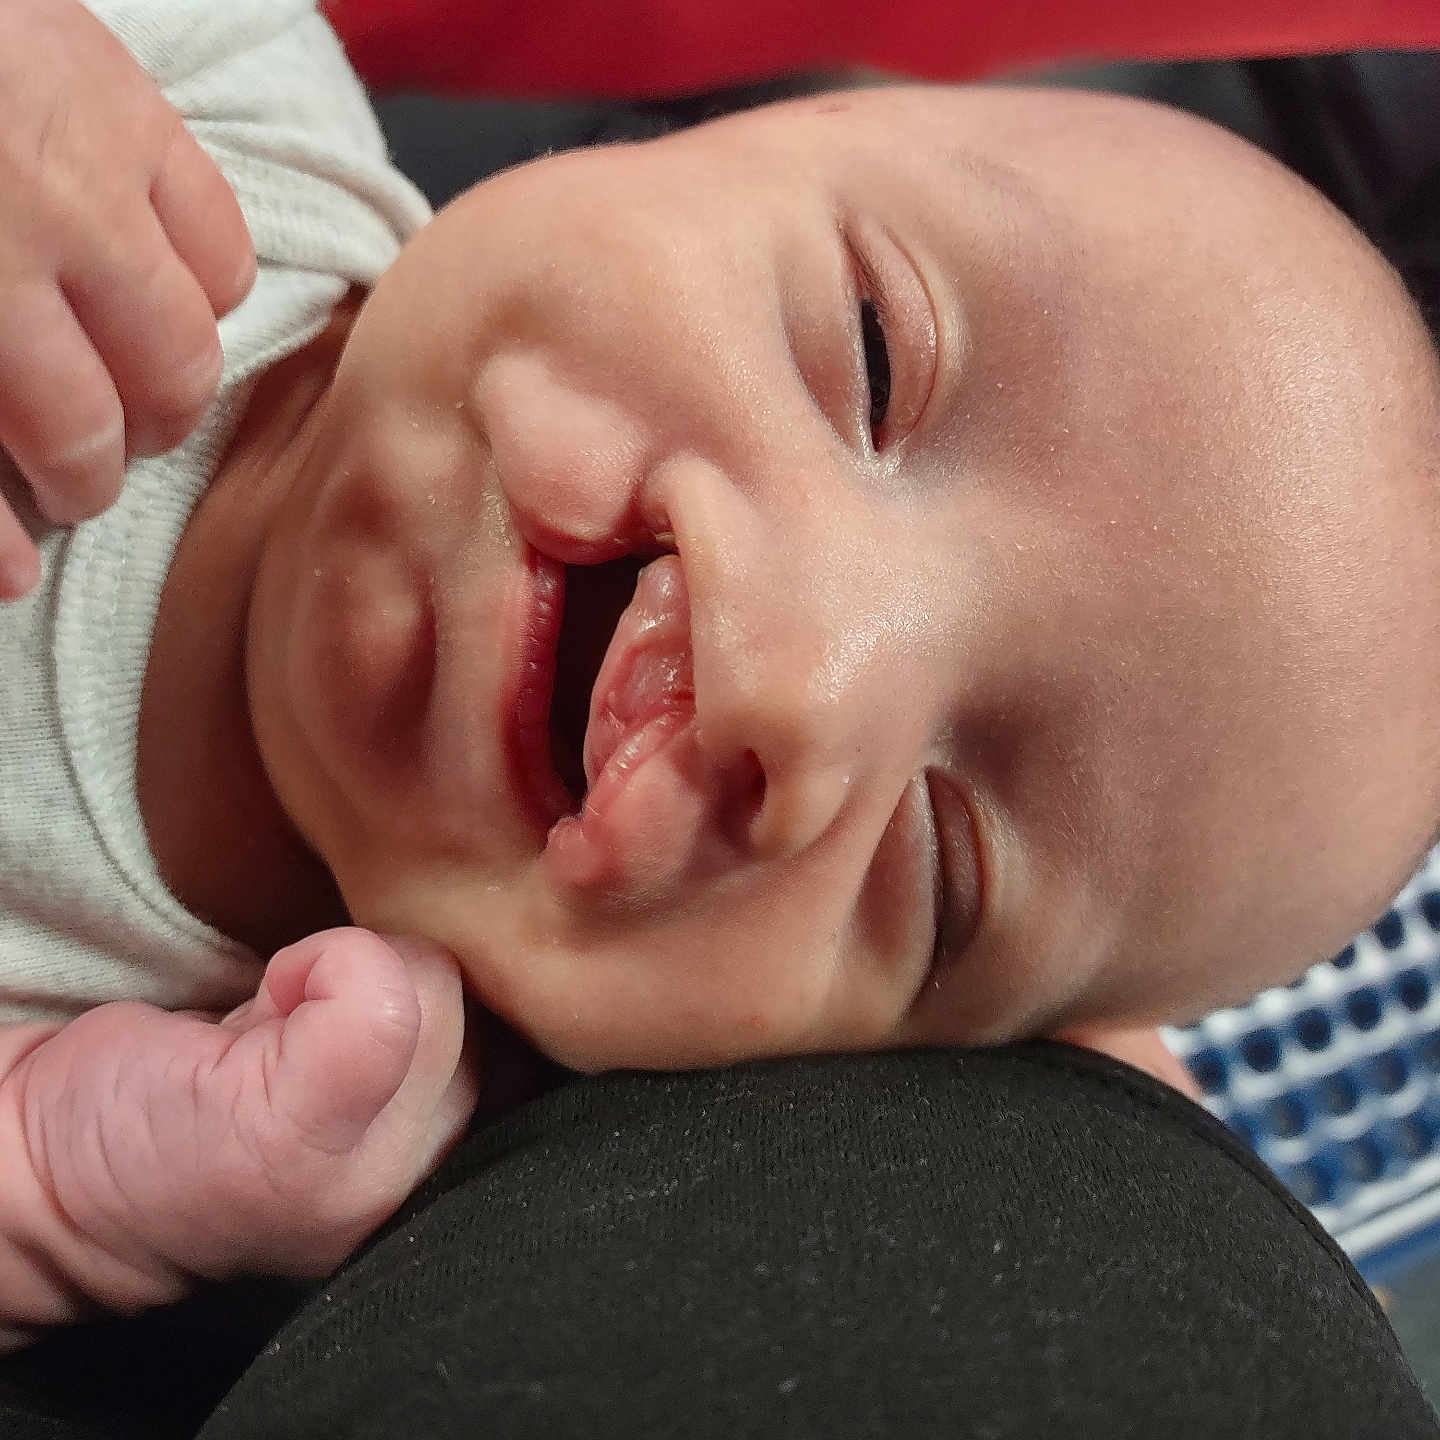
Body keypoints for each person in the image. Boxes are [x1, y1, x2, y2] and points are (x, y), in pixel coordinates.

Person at [3, 0, 1440, 1342]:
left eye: (940, 869)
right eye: (877, 356)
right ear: (690, 138)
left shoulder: (247, 1106)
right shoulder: (199, 100)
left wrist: (64, 1200)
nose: (799, 679)